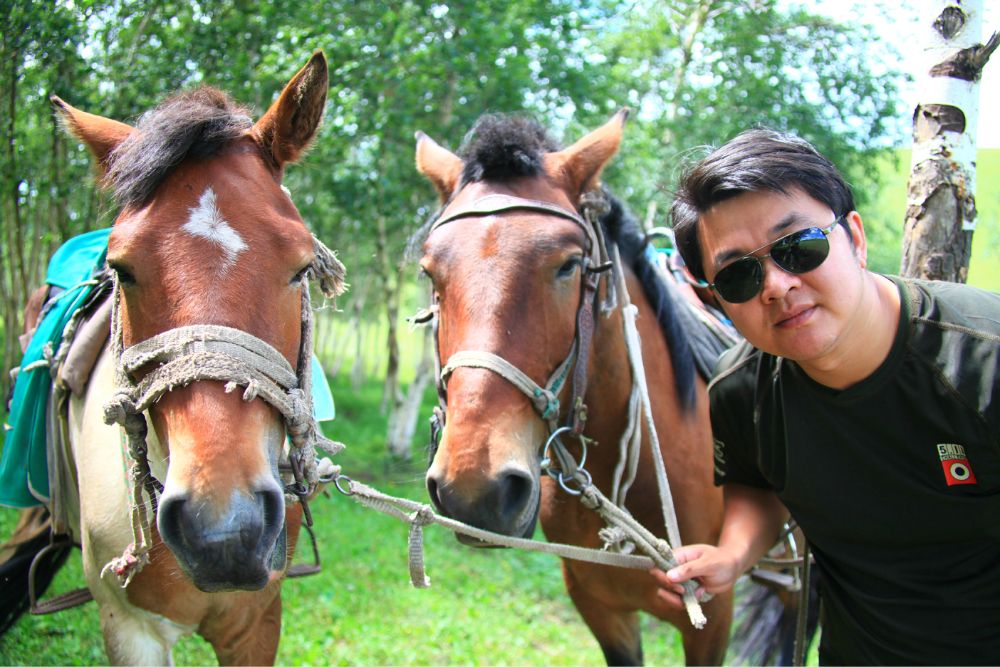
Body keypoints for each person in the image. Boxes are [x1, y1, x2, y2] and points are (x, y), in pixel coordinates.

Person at [650, 128, 1000, 665]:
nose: (776, 285)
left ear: (854, 238)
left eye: (798, 246)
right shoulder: (741, 389)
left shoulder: (983, 358)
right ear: (719, 301)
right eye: (739, 275)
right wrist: (733, 555)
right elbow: (755, 481)